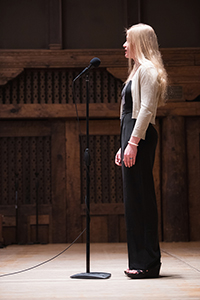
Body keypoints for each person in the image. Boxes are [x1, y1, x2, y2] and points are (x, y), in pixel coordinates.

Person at [115, 23, 168, 279]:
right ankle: (139, 260)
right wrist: (123, 144)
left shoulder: (147, 69)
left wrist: (133, 142)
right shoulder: (137, 70)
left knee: (142, 198)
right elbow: (130, 112)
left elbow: (145, 110)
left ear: (139, 42)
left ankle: (148, 263)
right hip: (133, 135)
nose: (124, 45)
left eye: (128, 40)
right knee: (133, 201)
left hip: (141, 136)